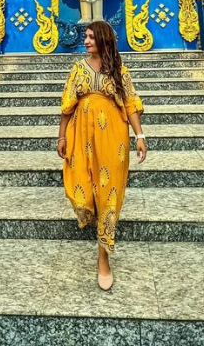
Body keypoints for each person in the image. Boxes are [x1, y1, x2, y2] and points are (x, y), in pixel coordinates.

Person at [56, 21, 147, 290]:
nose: (86, 41)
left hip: (112, 137)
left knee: (109, 193)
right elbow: (66, 106)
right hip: (81, 133)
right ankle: (94, 225)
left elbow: (130, 105)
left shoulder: (119, 71)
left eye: (92, 37)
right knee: (83, 193)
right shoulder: (78, 69)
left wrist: (140, 136)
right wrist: (61, 136)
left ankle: (103, 257)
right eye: (86, 37)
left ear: (104, 40)